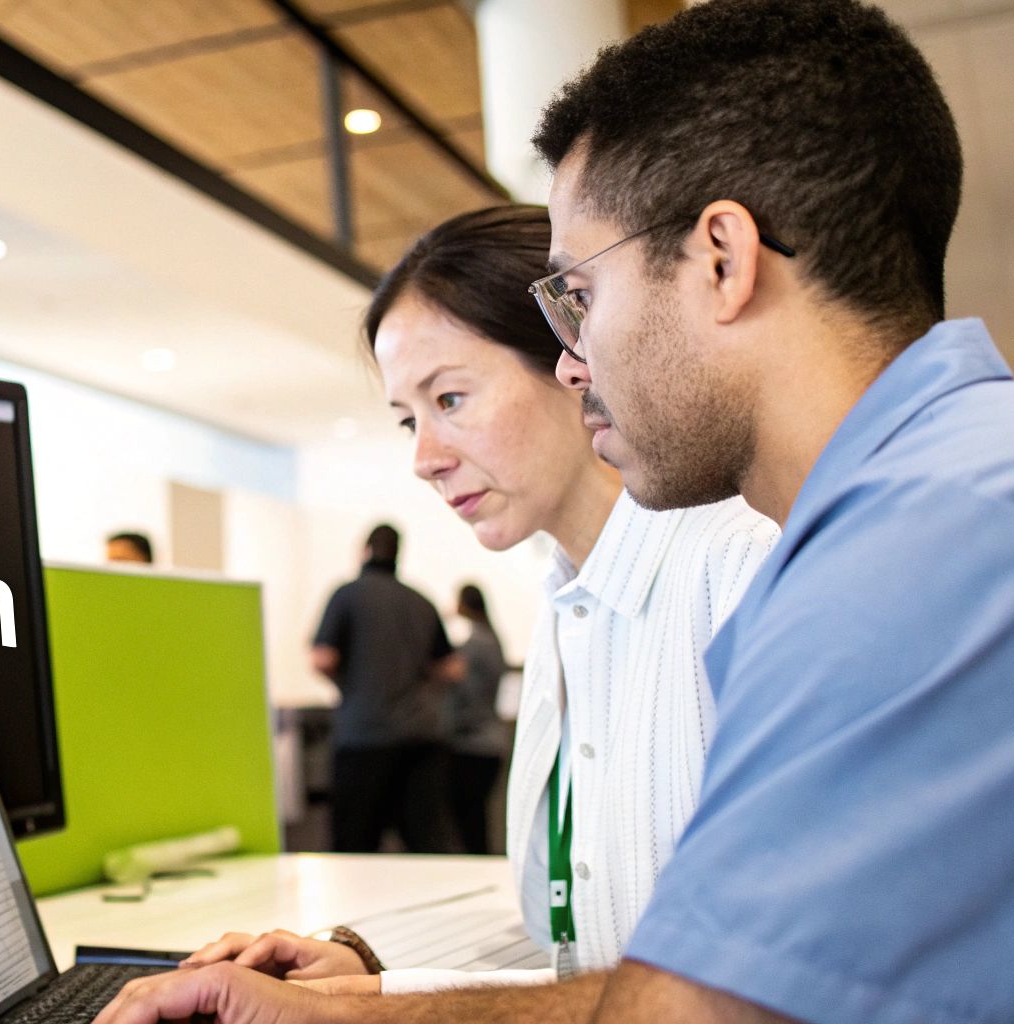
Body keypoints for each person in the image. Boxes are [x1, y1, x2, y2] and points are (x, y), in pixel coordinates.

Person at [96, 0, 1014, 1021]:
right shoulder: (926, 498)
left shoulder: (946, 528)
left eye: (578, 294)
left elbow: (714, 1009)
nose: (575, 360)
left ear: (719, 259)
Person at [182, 205, 776, 993]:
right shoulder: (570, 607)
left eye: (451, 399)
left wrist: (379, 1005)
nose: (425, 458)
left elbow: (757, 980)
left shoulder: (742, 567)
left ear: (573, 358)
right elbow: (576, 937)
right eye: (408, 420)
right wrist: (365, 963)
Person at [310, 524, 461, 854]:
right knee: (426, 846)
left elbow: (322, 658)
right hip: (420, 738)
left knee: (356, 847)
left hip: (364, 736)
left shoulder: (346, 595)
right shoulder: (421, 601)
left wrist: (349, 683)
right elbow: (452, 667)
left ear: (364, 550)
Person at [445, 584, 505, 856]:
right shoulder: (493, 640)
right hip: (491, 741)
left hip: (472, 743)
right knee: (475, 819)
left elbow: (464, 695)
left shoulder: (475, 646)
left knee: (469, 823)